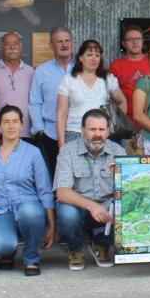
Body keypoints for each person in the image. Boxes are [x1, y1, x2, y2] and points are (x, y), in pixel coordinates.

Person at [0, 106, 55, 275]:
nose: (11, 126)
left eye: (15, 122)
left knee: (30, 213)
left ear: (21, 125)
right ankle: (8, 252)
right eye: (6, 122)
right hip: (0, 209)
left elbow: (45, 190)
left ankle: (31, 257)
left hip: (28, 206)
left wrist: (52, 225)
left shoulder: (33, 152)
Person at [55, 108, 126, 270]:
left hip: (107, 206)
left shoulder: (119, 151)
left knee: (124, 207)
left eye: (101, 129)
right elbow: (62, 191)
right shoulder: (67, 151)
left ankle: (102, 244)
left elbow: (129, 189)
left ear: (108, 131)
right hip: (78, 206)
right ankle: (75, 248)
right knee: (67, 214)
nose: (97, 134)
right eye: (92, 129)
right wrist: (91, 206)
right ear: (82, 131)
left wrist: (120, 176)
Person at [56, 39, 124, 151]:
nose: (94, 58)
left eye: (97, 55)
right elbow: (61, 114)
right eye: (89, 55)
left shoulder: (107, 78)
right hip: (76, 134)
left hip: (102, 135)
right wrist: (62, 144)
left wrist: (113, 125)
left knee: (104, 168)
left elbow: (122, 102)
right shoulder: (68, 80)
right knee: (77, 168)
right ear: (81, 58)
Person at [29, 26, 74, 177]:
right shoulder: (41, 71)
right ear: (51, 46)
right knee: (54, 178)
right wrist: (39, 129)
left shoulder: (81, 69)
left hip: (79, 133)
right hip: (50, 134)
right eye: (59, 41)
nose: (64, 45)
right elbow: (35, 102)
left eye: (67, 41)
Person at [110, 25, 150, 148]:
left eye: (138, 38)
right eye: (130, 39)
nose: (135, 42)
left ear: (143, 41)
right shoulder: (116, 66)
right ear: (124, 43)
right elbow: (112, 97)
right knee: (128, 163)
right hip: (126, 125)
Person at [0, 31, 34, 140]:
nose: (12, 47)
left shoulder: (31, 72)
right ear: (1, 48)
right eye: (8, 44)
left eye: (16, 43)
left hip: (25, 134)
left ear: (21, 48)